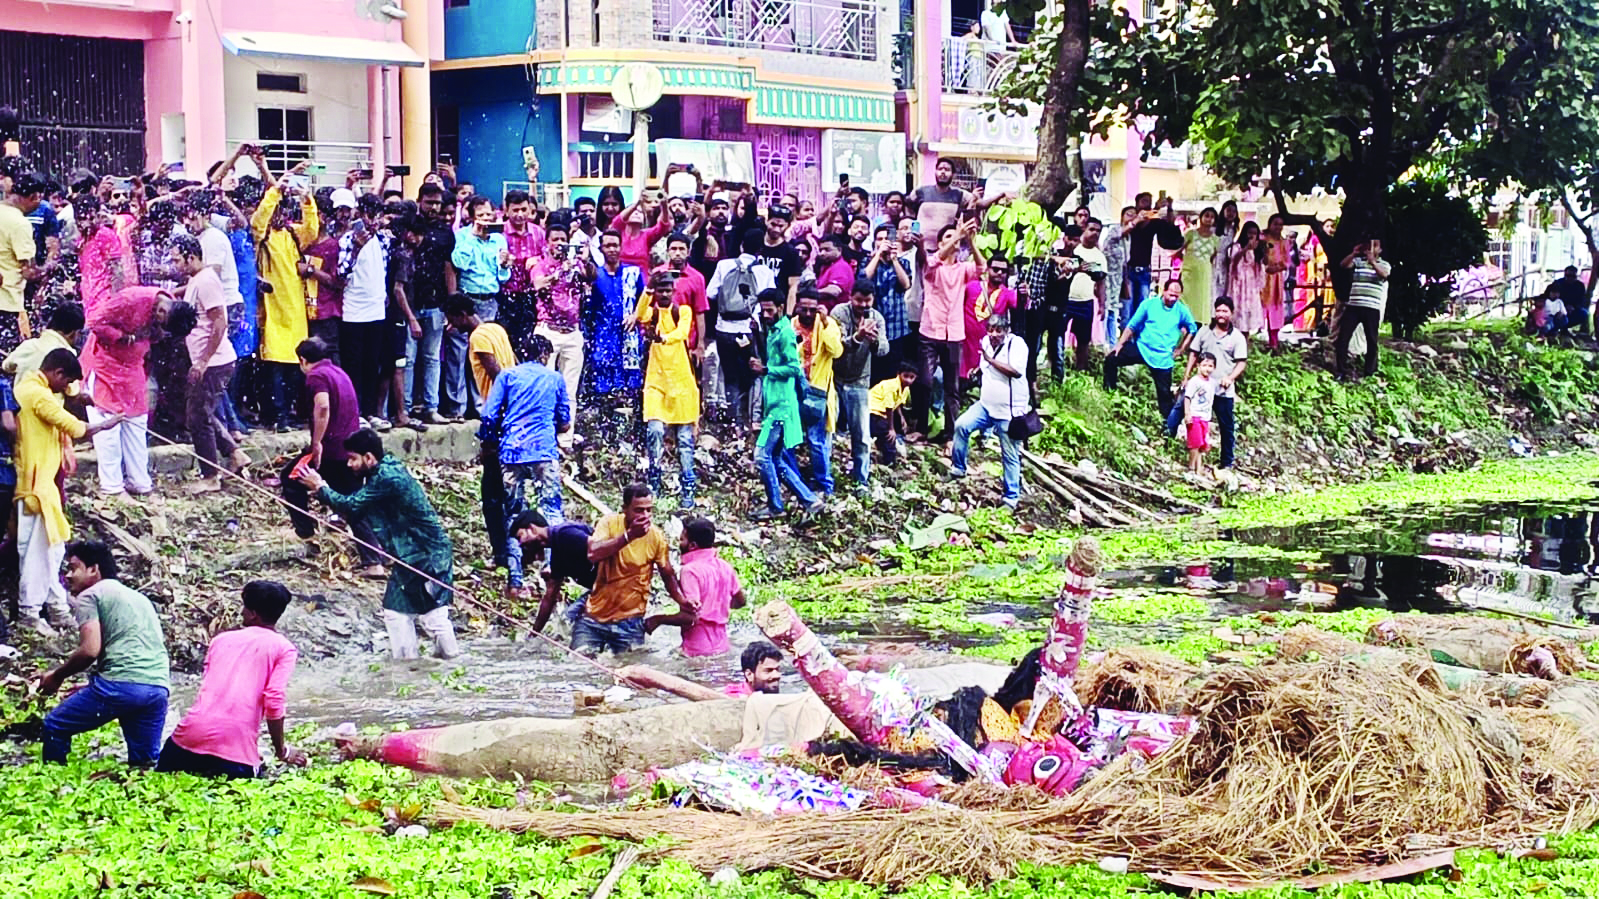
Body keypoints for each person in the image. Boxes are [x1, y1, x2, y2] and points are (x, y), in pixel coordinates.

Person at [298, 429, 460, 660]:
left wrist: (321, 487)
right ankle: (421, 664)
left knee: (427, 614)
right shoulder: (384, 469)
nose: (349, 464)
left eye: (353, 458)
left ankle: (424, 664)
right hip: (415, 553)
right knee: (409, 612)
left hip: (424, 554)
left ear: (369, 457)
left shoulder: (387, 478)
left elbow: (353, 506)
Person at [14, 350, 123, 634]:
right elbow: (74, 428)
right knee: (37, 553)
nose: (66, 389)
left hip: (43, 484)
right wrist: (106, 424)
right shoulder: (37, 395)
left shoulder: (33, 384)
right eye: (65, 382)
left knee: (53, 550)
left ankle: (57, 606)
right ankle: (30, 613)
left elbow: (71, 391)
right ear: (57, 374)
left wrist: (77, 393)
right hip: (35, 485)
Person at [37, 541, 169, 766]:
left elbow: (90, 650)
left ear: (94, 570)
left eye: (73, 568)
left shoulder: (90, 595)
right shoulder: (139, 598)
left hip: (120, 685)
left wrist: (56, 676)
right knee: (144, 763)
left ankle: (54, 784)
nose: (68, 576)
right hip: (157, 687)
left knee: (55, 726)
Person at [157, 580, 306, 778]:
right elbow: (274, 698)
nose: (241, 612)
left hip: (187, 740)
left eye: (244, 607)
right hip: (235, 752)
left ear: (253, 613)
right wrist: (282, 751)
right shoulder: (284, 648)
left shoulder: (220, 640)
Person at [281, 338, 384, 575]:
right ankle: (376, 553)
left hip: (333, 450)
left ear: (303, 360)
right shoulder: (338, 372)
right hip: (347, 446)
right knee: (352, 500)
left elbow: (323, 406)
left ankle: (307, 533)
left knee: (291, 479)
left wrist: (316, 443)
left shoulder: (316, 377)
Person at [480, 336, 569, 599]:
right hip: (543, 451)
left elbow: (489, 415)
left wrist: (487, 443)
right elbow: (564, 421)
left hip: (511, 452)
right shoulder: (554, 378)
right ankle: (552, 567)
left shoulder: (507, 376)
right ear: (545, 355)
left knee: (513, 515)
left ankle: (515, 581)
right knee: (552, 511)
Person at [572, 483, 687, 655]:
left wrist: (682, 601)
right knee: (577, 664)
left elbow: (667, 574)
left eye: (649, 510)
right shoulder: (609, 524)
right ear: (624, 509)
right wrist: (629, 536)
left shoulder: (656, 536)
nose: (645, 515)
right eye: (639, 510)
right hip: (593, 619)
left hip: (630, 622)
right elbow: (593, 553)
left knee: (629, 674)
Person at [81, 288, 174, 497]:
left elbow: (155, 337)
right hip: (105, 366)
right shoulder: (130, 299)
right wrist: (123, 338)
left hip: (133, 368)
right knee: (108, 430)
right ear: (162, 312)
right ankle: (112, 487)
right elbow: (94, 321)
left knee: (136, 424)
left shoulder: (171, 305)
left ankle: (139, 482)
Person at [173, 234, 247, 492]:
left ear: (191, 257)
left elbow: (220, 322)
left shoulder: (206, 282)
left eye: (177, 260)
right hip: (207, 360)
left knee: (196, 418)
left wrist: (203, 361)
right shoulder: (196, 280)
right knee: (200, 412)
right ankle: (235, 454)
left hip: (214, 362)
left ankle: (210, 475)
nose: (175, 266)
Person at [250, 161, 319, 430]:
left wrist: (306, 200)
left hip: (295, 312)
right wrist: (275, 192)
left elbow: (312, 230)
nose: (279, 214)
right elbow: (258, 221)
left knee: (294, 368)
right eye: (276, 210)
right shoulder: (263, 235)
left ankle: (289, 413)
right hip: (272, 310)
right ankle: (275, 416)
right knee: (274, 368)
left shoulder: (291, 233)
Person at [751, 289, 823, 521]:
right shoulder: (774, 330)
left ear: (781, 308)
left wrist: (766, 370)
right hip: (775, 403)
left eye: (770, 310)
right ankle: (809, 500)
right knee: (777, 458)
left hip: (781, 407)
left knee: (762, 456)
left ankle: (775, 506)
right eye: (763, 310)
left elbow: (794, 367)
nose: (766, 314)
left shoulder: (785, 333)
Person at [633, 271, 700, 510]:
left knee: (684, 440)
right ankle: (654, 481)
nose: (663, 294)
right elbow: (640, 314)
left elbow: (682, 333)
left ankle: (688, 488)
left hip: (681, 383)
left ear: (673, 292)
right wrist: (647, 290)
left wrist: (662, 337)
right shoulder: (653, 312)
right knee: (654, 432)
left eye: (666, 290)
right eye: (660, 290)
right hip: (656, 382)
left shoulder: (681, 311)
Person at [950, 314, 1030, 510]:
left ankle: (1011, 498)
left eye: (998, 331)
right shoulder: (985, 341)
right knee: (961, 426)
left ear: (1006, 330)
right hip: (986, 405)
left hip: (1009, 412)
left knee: (1009, 454)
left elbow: (1015, 371)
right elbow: (986, 365)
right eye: (991, 330)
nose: (994, 335)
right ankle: (958, 470)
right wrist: (978, 369)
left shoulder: (1017, 345)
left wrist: (989, 360)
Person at [643, 516, 747, 657]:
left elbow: (690, 617)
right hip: (722, 646)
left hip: (697, 649)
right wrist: (716, 607)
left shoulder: (690, 571)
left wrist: (658, 620)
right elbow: (741, 601)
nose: (679, 543)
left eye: (682, 539)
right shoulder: (725, 566)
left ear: (692, 545)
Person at [922, 220, 984, 441]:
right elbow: (934, 260)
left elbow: (981, 268)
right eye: (947, 237)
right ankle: (922, 427)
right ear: (940, 242)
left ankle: (951, 433)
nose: (954, 240)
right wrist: (958, 234)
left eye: (955, 237)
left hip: (954, 333)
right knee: (926, 381)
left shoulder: (963, 268)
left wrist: (971, 241)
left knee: (952, 386)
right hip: (930, 330)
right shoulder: (932, 265)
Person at [707, 238, 777, 433]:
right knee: (755, 371)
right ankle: (754, 419)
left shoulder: (724, 264)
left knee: (730, 375)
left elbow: (711, 293)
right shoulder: (764, 271)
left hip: (724, 330)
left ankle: (732, 420)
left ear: (741, 246)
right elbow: (769, 299)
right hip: (750, 329)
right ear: (760, 250)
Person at [1104, 279, 1196, 418]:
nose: (1173, 298)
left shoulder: (1181, 310)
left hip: (1163, 357)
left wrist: (1181, 349)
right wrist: (1119, 344)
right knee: (1111, 360)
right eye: (1170, 294)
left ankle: (1168, 427)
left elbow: (1192, 329)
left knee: (1164, 396)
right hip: (1143, 348)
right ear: (1163, 291)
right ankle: (1109, 394)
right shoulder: (1149, 304)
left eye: (1176, 296)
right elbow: (1132, 325)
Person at [830, 279, 889, 488]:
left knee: (862, 435)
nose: (863, 305)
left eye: (867, 301)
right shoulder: (838, 313)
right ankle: (825, 478)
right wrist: (857, 337)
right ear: (850, 297)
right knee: (828, 430)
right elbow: (836, 346)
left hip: (859, 381)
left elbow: (884, 350)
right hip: (834, 378)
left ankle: (861, 480)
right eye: (859, 300)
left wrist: (873, 341)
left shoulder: (877, 318)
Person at [1177, 297, 1248, 469]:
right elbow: (1193, 354)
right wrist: (1186, 377)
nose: (1221, 315)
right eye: (1218, 311)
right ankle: (1169, 442)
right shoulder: (1204, 332)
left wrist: (1230, 378)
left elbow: (1241, 362)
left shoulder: (1237, 337)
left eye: (1225, 311)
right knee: (1184, 414)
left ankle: (1227, 462)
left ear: (1231, 313)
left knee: (1226, 426)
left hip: (1223, 390)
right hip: (1201, 388)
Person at [409, 183, 456, 423]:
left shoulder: (445, 232)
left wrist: (452, 304)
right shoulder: (410, 225)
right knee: (408, 359)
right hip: (409, 302)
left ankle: (431, 407)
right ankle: (406, 409)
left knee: (431, 357)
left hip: (436, 303)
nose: (434, 207)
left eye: (438, 202)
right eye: (429, 202)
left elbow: (448, 268)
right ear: (419, 201)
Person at [613, 639, 784, 701]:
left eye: (777, 669)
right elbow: (689, 690)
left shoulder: (765, 697)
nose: (776, 676)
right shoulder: (735, 697)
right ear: (749, 674)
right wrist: (640, 674)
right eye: (768, 671)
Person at [794, 289, 843, 497]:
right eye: (803, 308)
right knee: (792, 437)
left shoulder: (827, 324)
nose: (807, 313)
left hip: (818, 390)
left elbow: (836, 351)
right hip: (795, 388)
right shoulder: (791, 325)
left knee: (816, 440)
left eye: (811, 309)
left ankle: (824, 484)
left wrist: (824, 323)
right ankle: (796, 480)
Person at [515, 509, 597, 635]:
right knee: (566, 620)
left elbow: (597, 547)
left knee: (580, 625)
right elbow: (550, 595)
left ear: (532, 528)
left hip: (618, 586)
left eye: (520, 536)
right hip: (599, 590)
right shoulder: (557, 552)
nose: (521, 543)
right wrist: (534, 633)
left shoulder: (565, 534)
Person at [587, 230, 646, 399]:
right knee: (603, 388)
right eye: (607, 246)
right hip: (603, 336)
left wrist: (636, 314)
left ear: (621, 247)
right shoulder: (595, 275)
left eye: (615, 245)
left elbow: (645, 298)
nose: (612, 249)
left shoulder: (633, 273)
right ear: (601, 249)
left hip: (629, 336)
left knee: (630, 388)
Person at [444, 293, 516, 406]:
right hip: (512, 396)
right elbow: (515, 361)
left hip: (498, 402)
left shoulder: (477, 337)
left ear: (462, 315)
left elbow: (495, 373)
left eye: (452, 321)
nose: (451, 326)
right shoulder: (496, 328)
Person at [499, 189, 546, 360]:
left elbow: (547, 259)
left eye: (524, 210)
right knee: (506, 343)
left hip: (531, 295)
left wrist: (538, 261)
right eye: (515, 210)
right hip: (505, 294)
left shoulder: (538, 232)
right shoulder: (499, 233)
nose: (520, 215)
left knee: (527, 343)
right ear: (506, 210)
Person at [1335, 238, 1390, 380]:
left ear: (1380, 250)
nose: (1372, 249)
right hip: (1354, 306)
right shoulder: (1359, 262)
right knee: (1343, 338)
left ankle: (1369, 372)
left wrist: (1373, 262)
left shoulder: (1384, 264)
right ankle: (1341, 371)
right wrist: (1353, 253)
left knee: (1371, 340)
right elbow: (1343, 265)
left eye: (1375, 246)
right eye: (1370, 246)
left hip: (1371, 308)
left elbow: (1384, 275)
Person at [0, 173, 43, 351]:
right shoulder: (20, 224)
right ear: (34, 197)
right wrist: (47, 269)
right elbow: (28, 271)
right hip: (7, 304)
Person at [1124, 193, 1182, 313]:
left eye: (1149, 202)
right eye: (1144, 201)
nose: (1147, 205)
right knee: (1127, 308)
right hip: (1128, 270)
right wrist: (1155, 210)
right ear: (1137, 203)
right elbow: (1138, 223)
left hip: (1145, 269)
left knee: (1142, 306)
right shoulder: (1132, 218)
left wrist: (1169, 208)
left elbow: (1170, 230)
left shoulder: (1154, 221)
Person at [964, 254, 1017, 377]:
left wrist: (1024, 293)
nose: (999, 273)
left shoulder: (1008, 293)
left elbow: (1021, 305)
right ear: (987, 269)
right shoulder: (971, 286)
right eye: (996, 269)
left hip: (990, 344)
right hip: (965, 344)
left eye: (1003, 271)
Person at [869, 362, 918, 467]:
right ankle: (890, 462)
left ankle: (886, 458)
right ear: (898, 374)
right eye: (905, 376)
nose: (908, 380)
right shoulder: (891, 386)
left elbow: (897, 404)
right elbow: (889, 407)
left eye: (912, 377)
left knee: (887, 434)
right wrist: (891, 429)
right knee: (888, 435)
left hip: (881, 414)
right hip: (873, 412)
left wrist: (902, 418)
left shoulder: (906, 389)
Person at [1226, 222, 1267, 337]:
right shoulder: (1236, 246)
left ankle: (1245, 345)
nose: (1252, 236)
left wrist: (1263, 249)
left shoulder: (1257, 249)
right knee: (1237, 316)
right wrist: (1246, 249)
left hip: (1251, 285)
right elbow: (1233, 262)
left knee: (1248, 319)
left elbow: (1263, 265)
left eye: (1255, 233)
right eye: (1250, 233)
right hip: (1239, 284)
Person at [1181, 353, 1217, 477]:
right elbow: (1187, 397)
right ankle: (1191, 468)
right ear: (1198, 366)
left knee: (1202, 444)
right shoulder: (1194, 381)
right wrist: (1187, 414)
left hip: (1205, 417)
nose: (1207, 368)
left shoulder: (1212, 382)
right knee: (1195, 443)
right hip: (1195, 415)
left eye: (1210, 366)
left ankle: (1198, 468)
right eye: (1204, 365)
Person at [1181, 207, 1220, 317]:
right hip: (1189, 273)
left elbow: (1212, 257)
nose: (1209, 219)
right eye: (1207, 215)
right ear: (1200, 217)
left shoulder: (1215, 239)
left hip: (1204, 275)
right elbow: (1178, 251)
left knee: (1202, 302)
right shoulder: (1190, 234)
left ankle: (1200, 329)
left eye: (1212, 217)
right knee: (1186, 300)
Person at [813, 234, 856, 308]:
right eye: (820, 250)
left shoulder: (841, 267)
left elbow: (834, 291)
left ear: (839, 250)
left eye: (827, 250)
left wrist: (810, 293)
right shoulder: (827, 266)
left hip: (837, 315)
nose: (822, 253)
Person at [1552, 266, 1590, 336]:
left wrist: (1574, 307)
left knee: (1584, 313)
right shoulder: (1558, 283)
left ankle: (1565, 329)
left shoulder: (1580, 286)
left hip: (1573, 310)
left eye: (1573, 276)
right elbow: (1550, 298)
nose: (1570, 278)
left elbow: (1582, 300)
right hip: (1558, 310)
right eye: (1568, 276)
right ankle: (1554, 330)